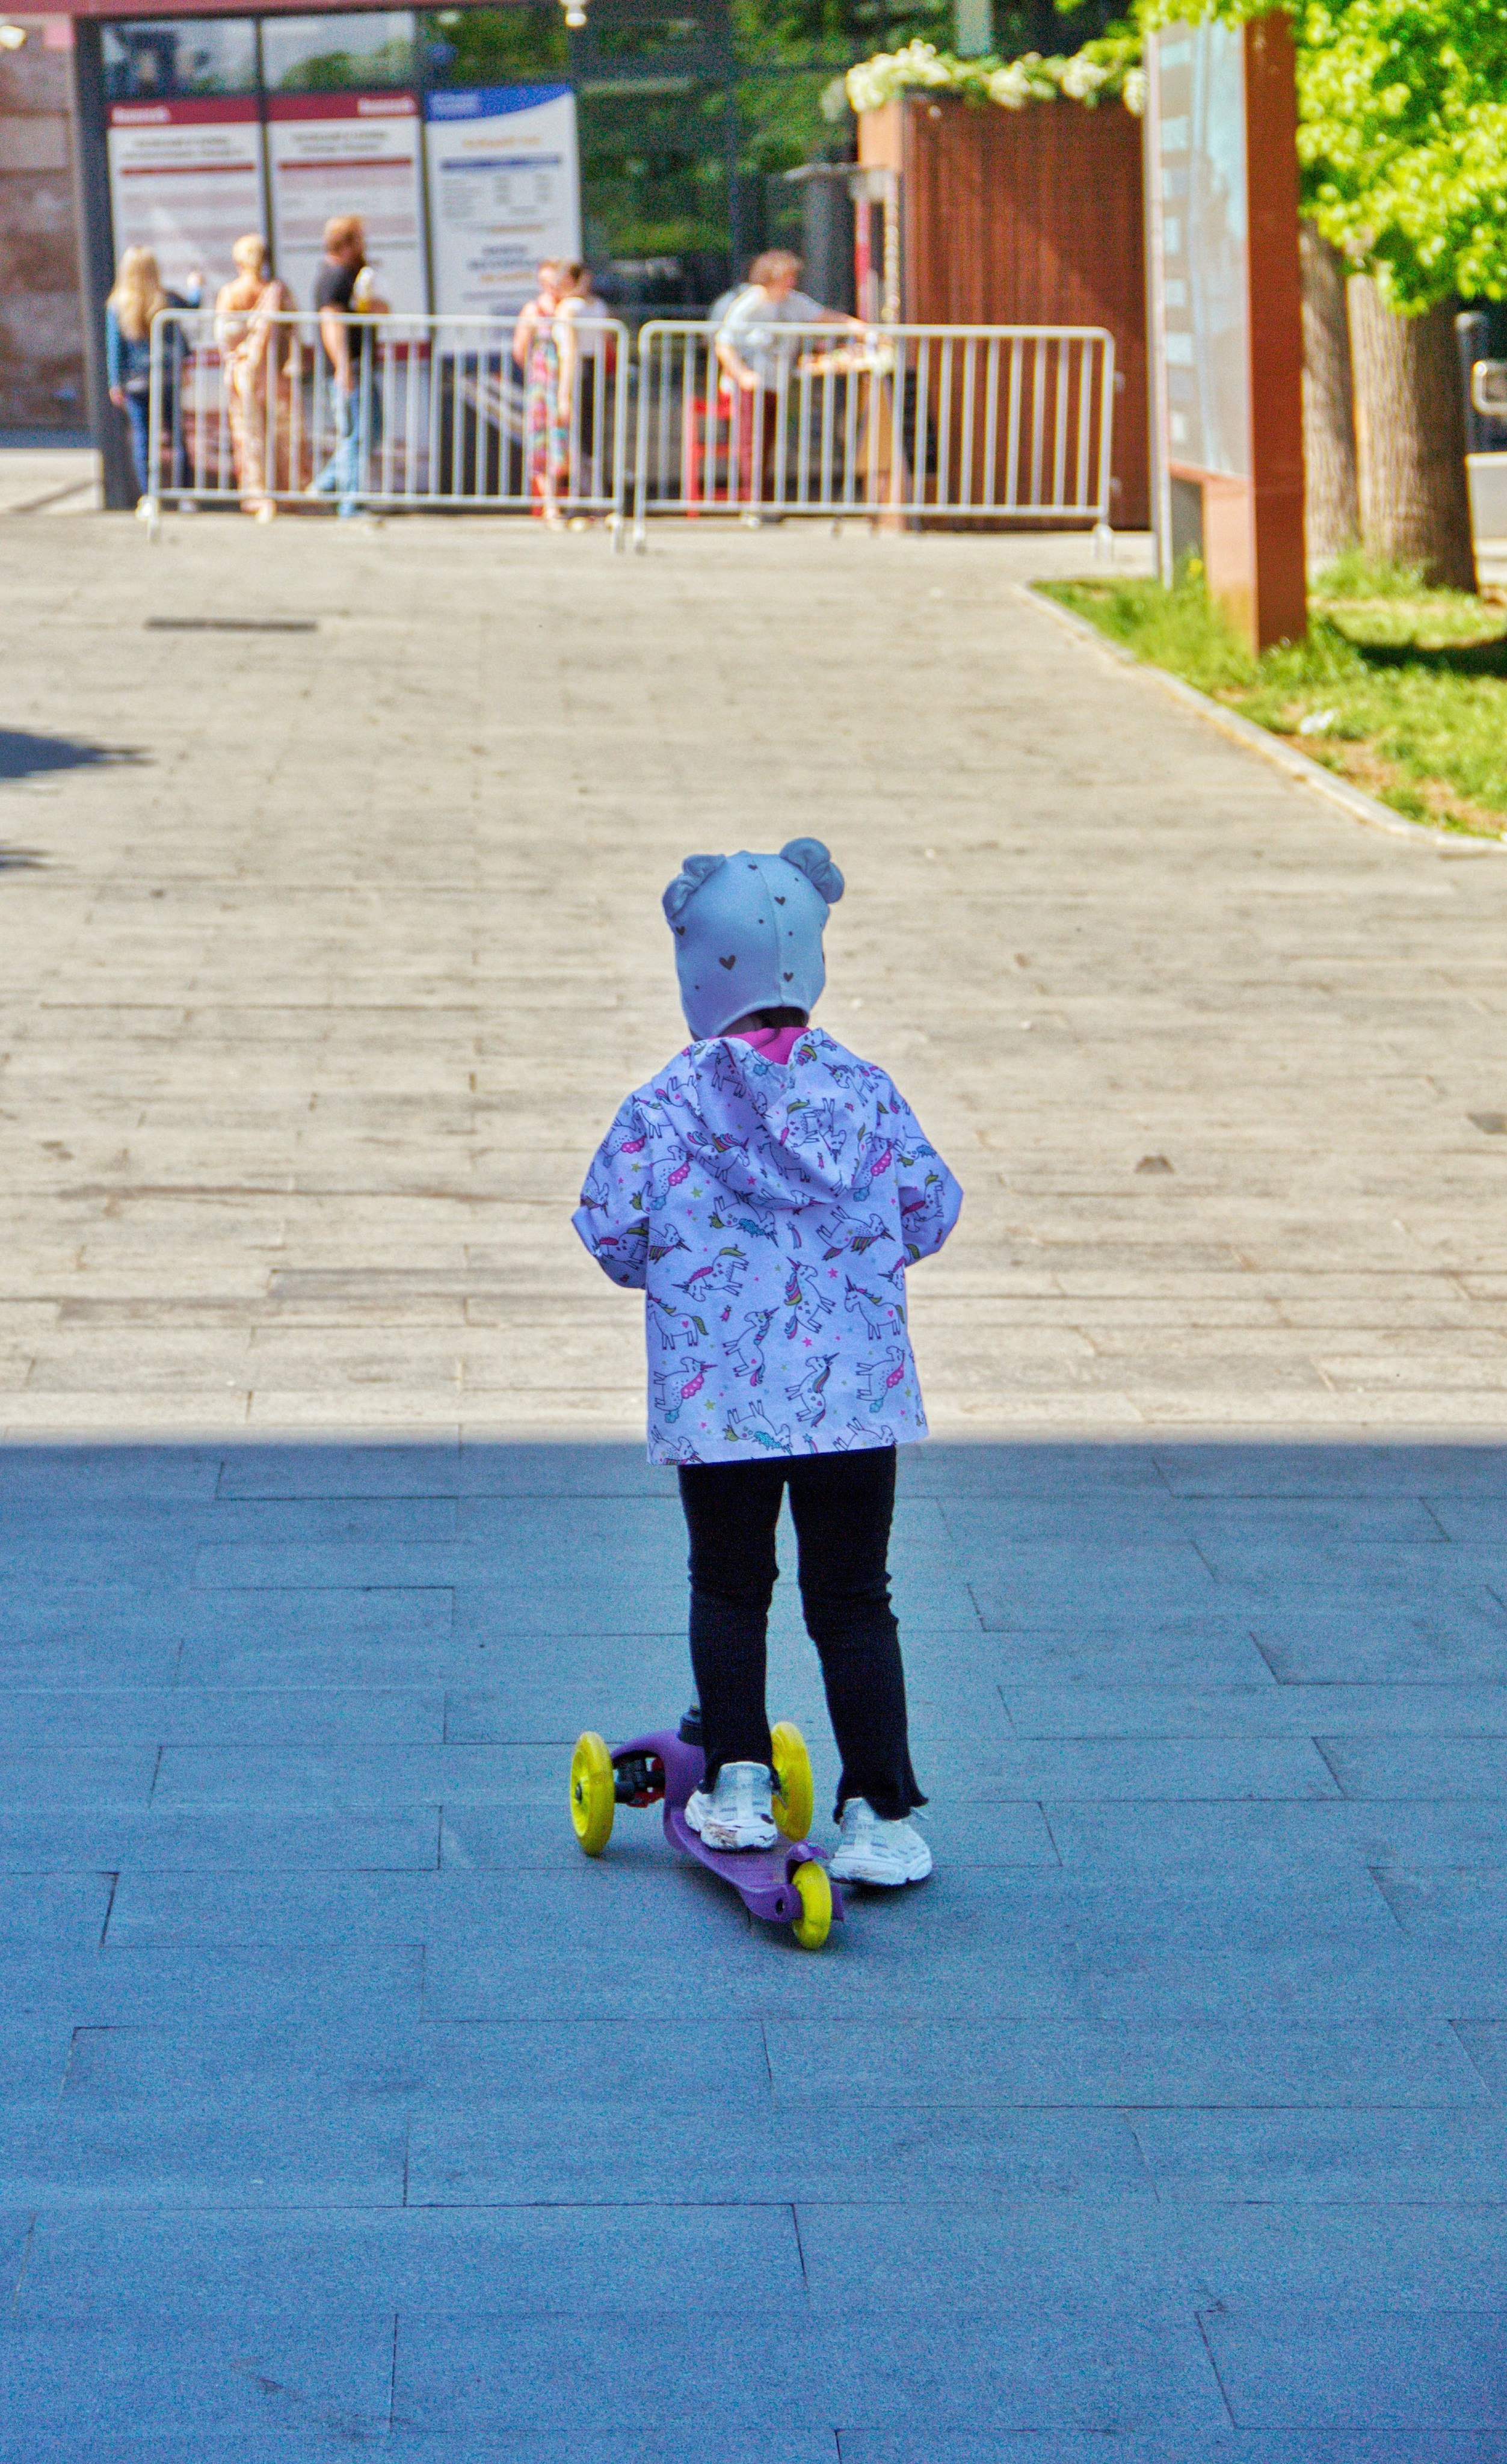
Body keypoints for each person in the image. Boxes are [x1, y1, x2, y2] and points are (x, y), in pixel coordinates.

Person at [573, 838, 963, 1887]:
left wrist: (682, 1264)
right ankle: (881, 1809)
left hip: (722, 1400)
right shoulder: (867, 1094)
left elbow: (611, 1229)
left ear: (704, 970)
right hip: (853, 1403)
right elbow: (931, 1208)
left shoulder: (665, 1106)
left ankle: (738, 1779)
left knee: (733, 1587)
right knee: (854, 1599)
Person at [714, 248, 859, 509]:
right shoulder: (749, 304)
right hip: (748, 384)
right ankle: (753, 502)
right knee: (751, 442)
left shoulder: (794, 302)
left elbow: (822, 317)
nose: (792, 282)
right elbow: (724, 345)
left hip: (775, 382)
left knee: (767, 441)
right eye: (787, 276)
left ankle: (762, 500)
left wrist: (856, 326)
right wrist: (743, 374)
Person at [105, 245, 200, 508]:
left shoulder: (118, 304)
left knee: (142, 438)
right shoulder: (165, 299)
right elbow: (193, 306)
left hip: (136, 382)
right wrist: (197, 286)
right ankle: (185, 496)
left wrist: (115, 382)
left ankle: (150, 496)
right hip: (167, 377)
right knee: (176, 435)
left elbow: (115, 347)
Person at [214, 234, 300, 520]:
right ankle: (289, 492)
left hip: (243, 374)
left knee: (249, 436)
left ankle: (258, 496)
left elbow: (224, 335)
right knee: (284, 435)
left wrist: (243, 349)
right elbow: (293, 330)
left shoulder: (230, 293)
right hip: (276, 371)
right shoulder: (277, 292)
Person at [309, 216, 387, 519]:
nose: (365, 244)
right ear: (347, 243)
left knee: (371, 430)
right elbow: (332, 323)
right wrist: (343, 367)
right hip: (350, 366)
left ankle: (326, 484)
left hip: (359, 365)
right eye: (360, 239)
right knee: (355, 433)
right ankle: (349, 502)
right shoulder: (336, 275)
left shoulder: (347, 274)